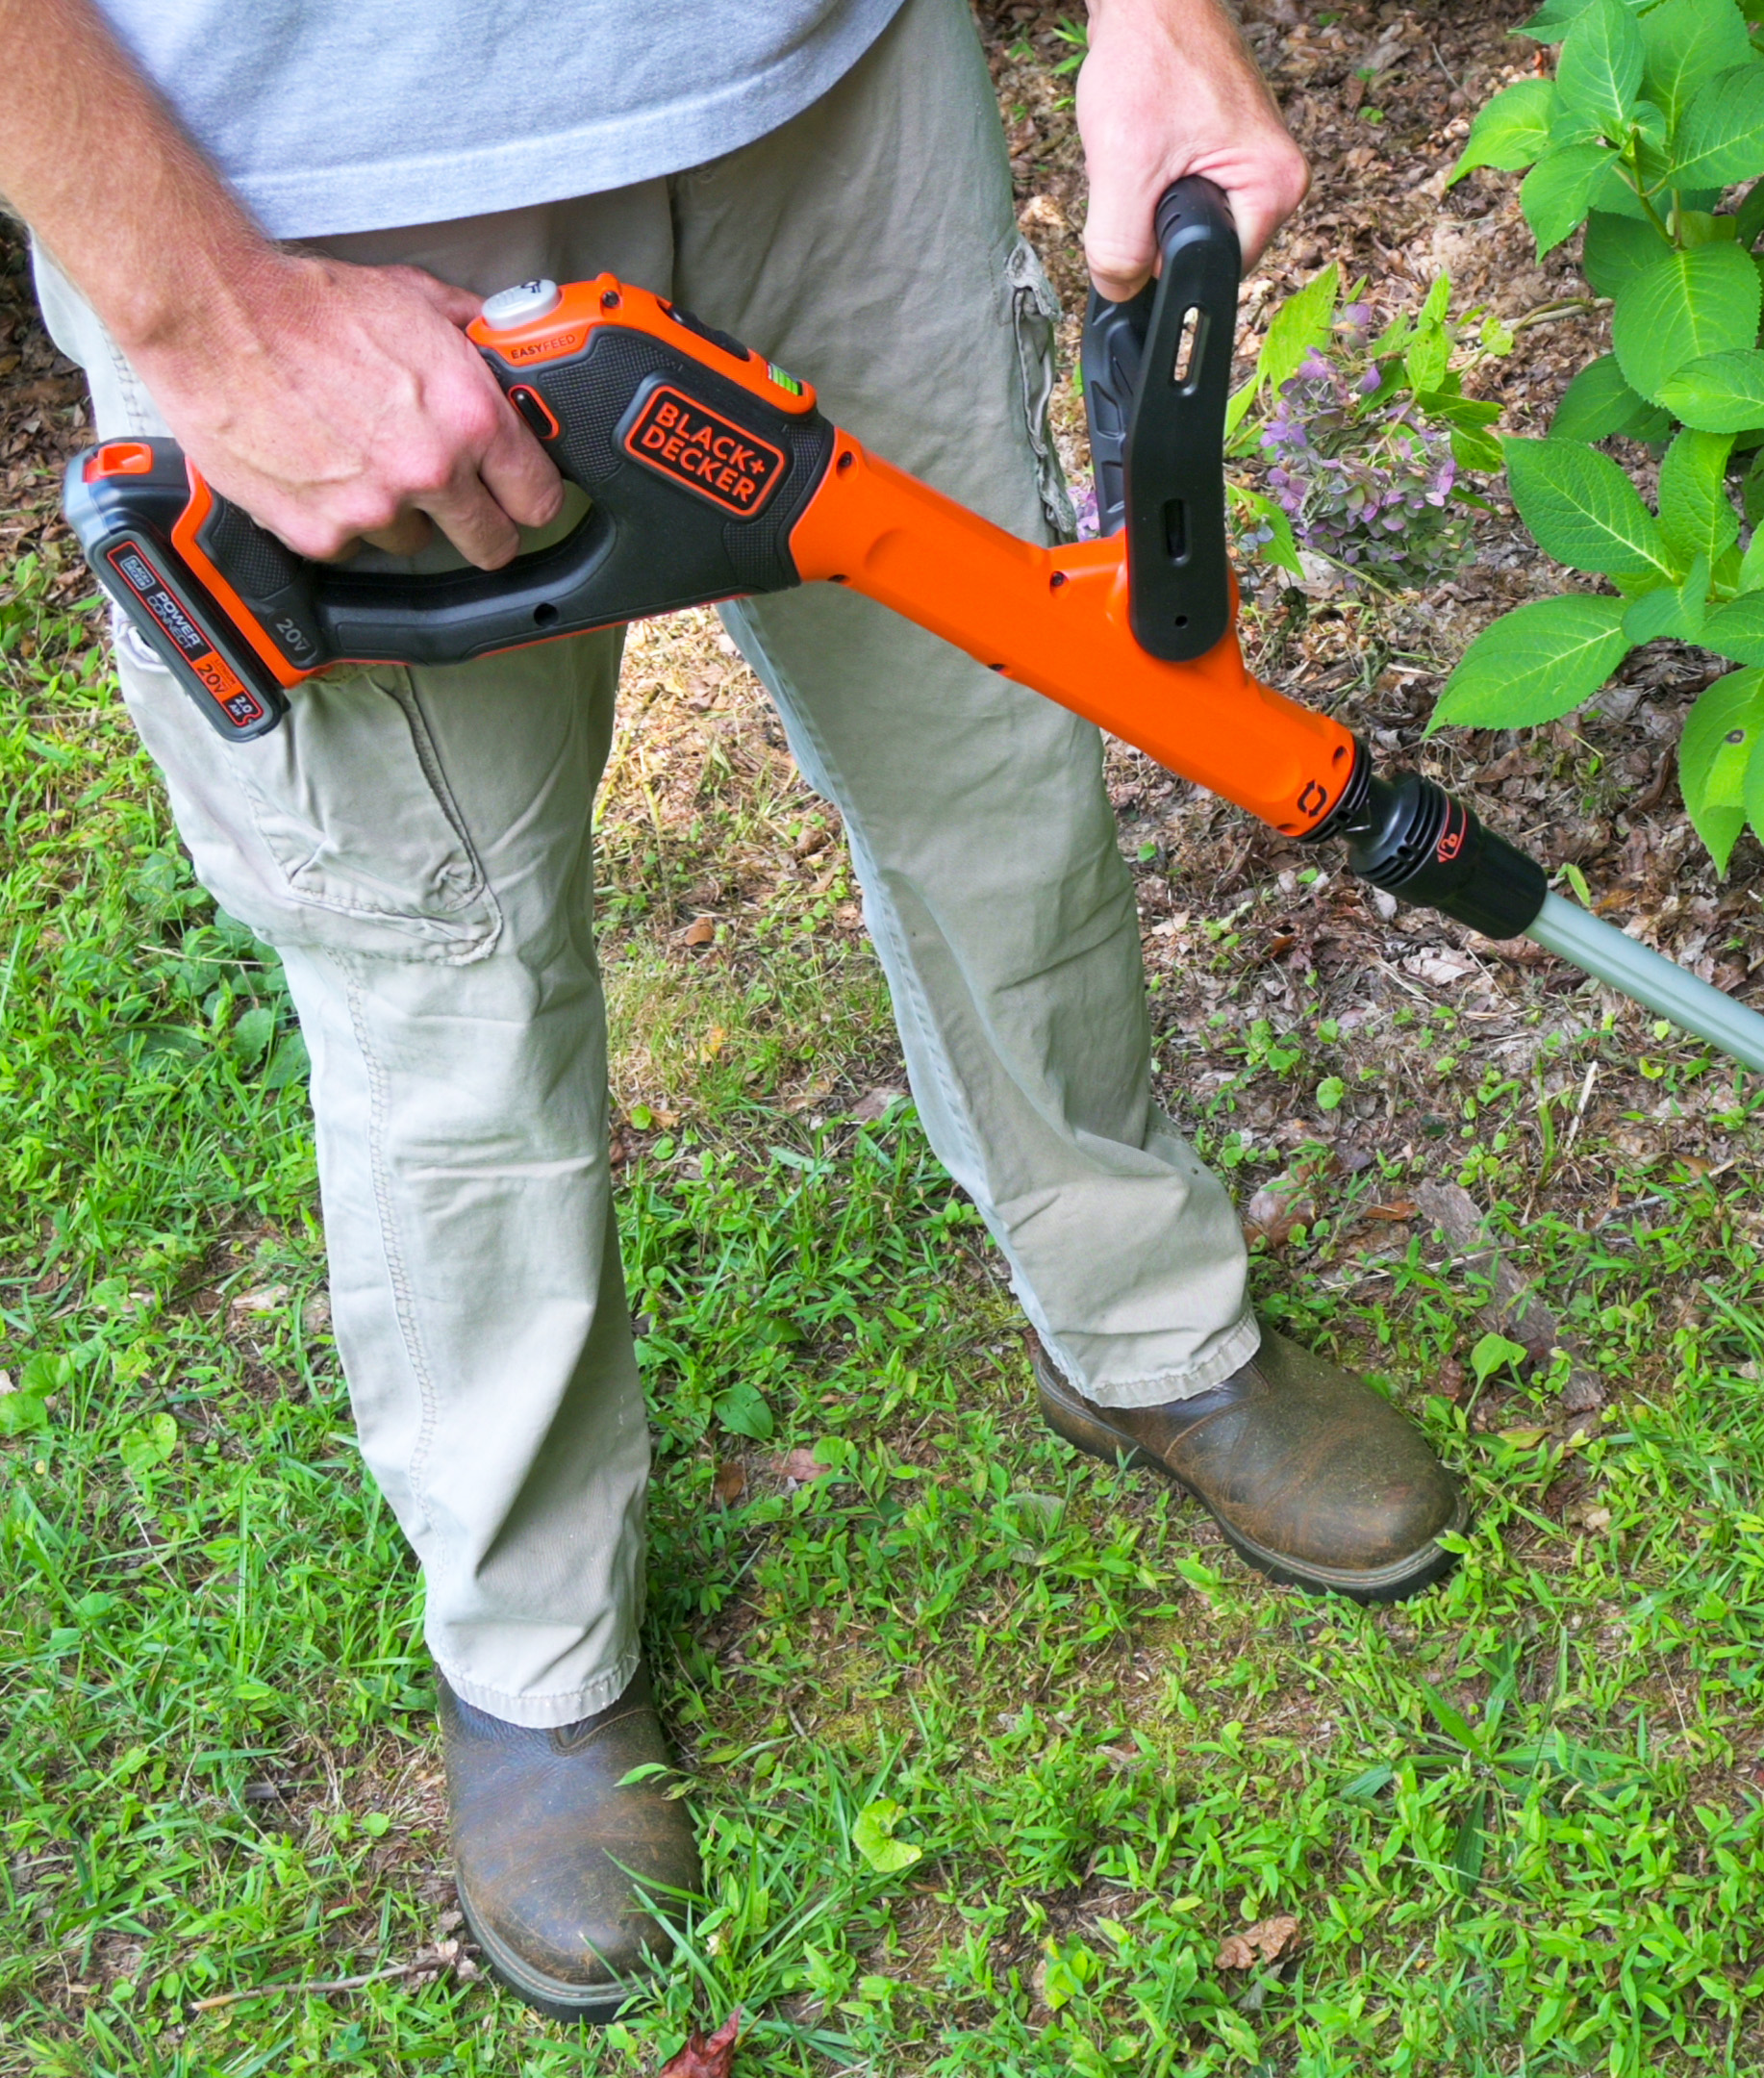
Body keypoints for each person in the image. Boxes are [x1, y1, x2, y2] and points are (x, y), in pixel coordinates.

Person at [0, 0, 1464, 2022]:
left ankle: (1147, 1324)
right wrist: (199, 303)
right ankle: (534, 1645)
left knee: (1002, 761)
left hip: (831, 84)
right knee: (451, 977)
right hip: (312, 198)